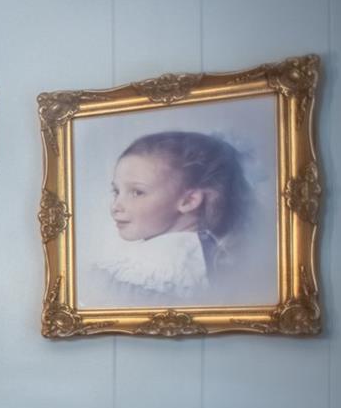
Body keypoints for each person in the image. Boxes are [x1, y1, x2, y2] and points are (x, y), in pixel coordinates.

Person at [84, 129, 248, 305]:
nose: (115, 206)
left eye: (137, 192)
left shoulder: (154, 267)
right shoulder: (196, 253)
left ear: (188, 200)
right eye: (116, 191)